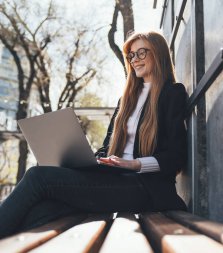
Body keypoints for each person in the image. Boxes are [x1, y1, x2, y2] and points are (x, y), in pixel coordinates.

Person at [0, 31, 188, 239]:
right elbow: (107, 147)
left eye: (141, 53)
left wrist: (135, 164)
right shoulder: (126, 100)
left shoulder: (173, 93)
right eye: (131, 56)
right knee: (42, 209)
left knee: (38, 177)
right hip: (113, 180)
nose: (134, 60)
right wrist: (93, 160)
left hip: (145, 187)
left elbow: (176, 156)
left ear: (158, 54)